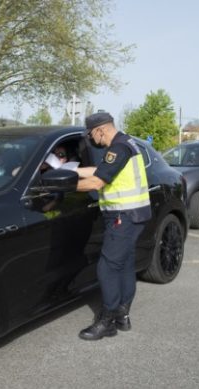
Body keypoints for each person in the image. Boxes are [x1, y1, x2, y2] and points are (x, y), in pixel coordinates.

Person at [75, 112, 151, 340]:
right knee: (124, 264)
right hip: (132, 214)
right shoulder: (126, 143)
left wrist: (65, 186)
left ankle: (107, 321)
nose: (91, 139)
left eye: (91, 135)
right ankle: (122, 315)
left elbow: (97, 181)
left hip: (123, 215)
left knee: (107, 268)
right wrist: (71, 171)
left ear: (100, 130)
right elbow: (100, 170)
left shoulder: (118, 148)